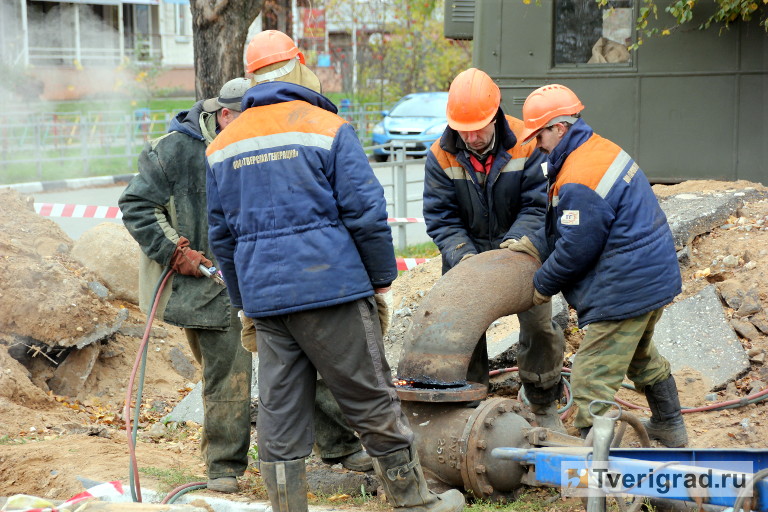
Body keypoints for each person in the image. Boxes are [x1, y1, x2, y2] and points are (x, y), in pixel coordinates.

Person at [205, 30, 465, 512]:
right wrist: (380, 277)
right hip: (331, 290)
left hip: (267, 301)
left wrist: (245, 304)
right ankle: (416, 502)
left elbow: (221, 237)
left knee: (280, 412)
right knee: (369, 397)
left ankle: (288, 507)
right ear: (298, 64)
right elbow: (365, 211)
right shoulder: (325, 126)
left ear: (251, 77)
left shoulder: (223, 144)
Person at [119, 77, 372, 496]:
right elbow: (136, 205)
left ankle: (341, 447)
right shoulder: (173, 151)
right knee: (227, 380)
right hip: (208, 291)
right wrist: (174, 251)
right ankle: (224, 467)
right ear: (224, 115)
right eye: (245, 118)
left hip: (269, 279)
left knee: (319, 363)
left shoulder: (260, 140)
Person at [511, 83, 687, 447]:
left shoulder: (579, 174)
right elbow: (576, 227)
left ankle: (599, 475)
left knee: (590, 378)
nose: (537, 144)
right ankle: (670, 427)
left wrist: (542, 284)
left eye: (539, 135)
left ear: (559, 127)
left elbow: (577, 247)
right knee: (639, 355)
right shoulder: (596, 149)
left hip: (627, 287)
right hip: (651, 276)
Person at [422, 67, 566, 432]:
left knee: (540, 328)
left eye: (478, 126)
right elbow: (441, 217)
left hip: (521, 249)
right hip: (465, 254)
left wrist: (511, 253)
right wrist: (466, 261)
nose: (470, 136)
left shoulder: (526, 142)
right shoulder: (440, 155)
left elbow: (538, 206)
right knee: (458, 331)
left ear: (496, 113)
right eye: (462, 128)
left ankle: (542, 400)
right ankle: (468, 404)